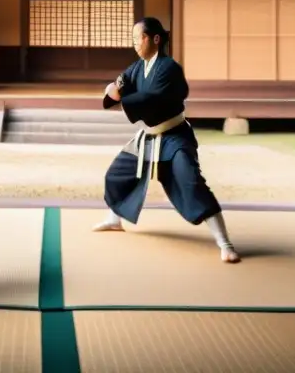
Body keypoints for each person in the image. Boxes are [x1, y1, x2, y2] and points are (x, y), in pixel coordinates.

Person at [94, 17, 241, 264]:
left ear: (155, 39)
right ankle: (114, 219)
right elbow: (113, 93)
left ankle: (225, 243)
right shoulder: (138, 67)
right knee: (118, 174)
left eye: (136, 38)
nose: (134, 44)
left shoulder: (169, 68)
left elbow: (151, 98)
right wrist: (114, 89)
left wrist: (121, 94)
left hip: (174, 136)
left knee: (191, 182)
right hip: (149, 137)